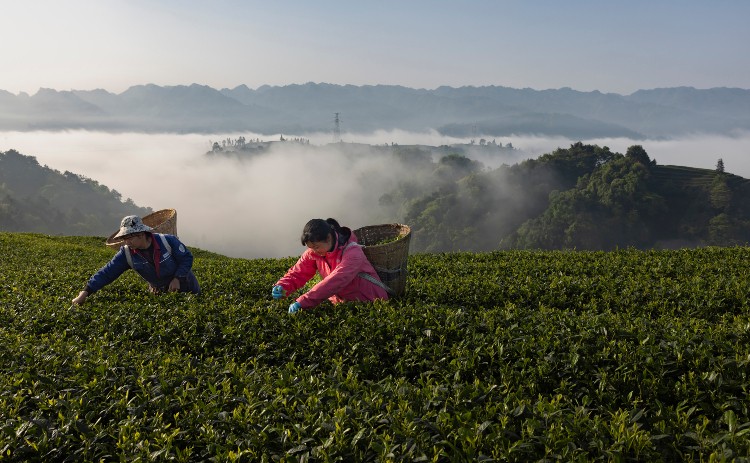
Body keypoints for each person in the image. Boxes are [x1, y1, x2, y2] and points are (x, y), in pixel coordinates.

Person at [71, 215, 200, 305]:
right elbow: (107, 273)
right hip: (161, 294)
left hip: (187, 287)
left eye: (130, 237)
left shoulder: (167, 241)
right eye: (125, 238)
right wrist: (85, 292)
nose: (127, 242)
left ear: (141, 234)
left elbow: (186, 258)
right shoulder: (126, 253)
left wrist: (178, 278)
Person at [272, 218, 389, 313]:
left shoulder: (353, 252)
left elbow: (336, 280)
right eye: (311, 247)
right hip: (342, 304)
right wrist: (283, 286)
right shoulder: (314, 252)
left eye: (316, 246)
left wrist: (303, 302)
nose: (314, 251)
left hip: (370, 303)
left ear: (328, 238)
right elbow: (299, 272)